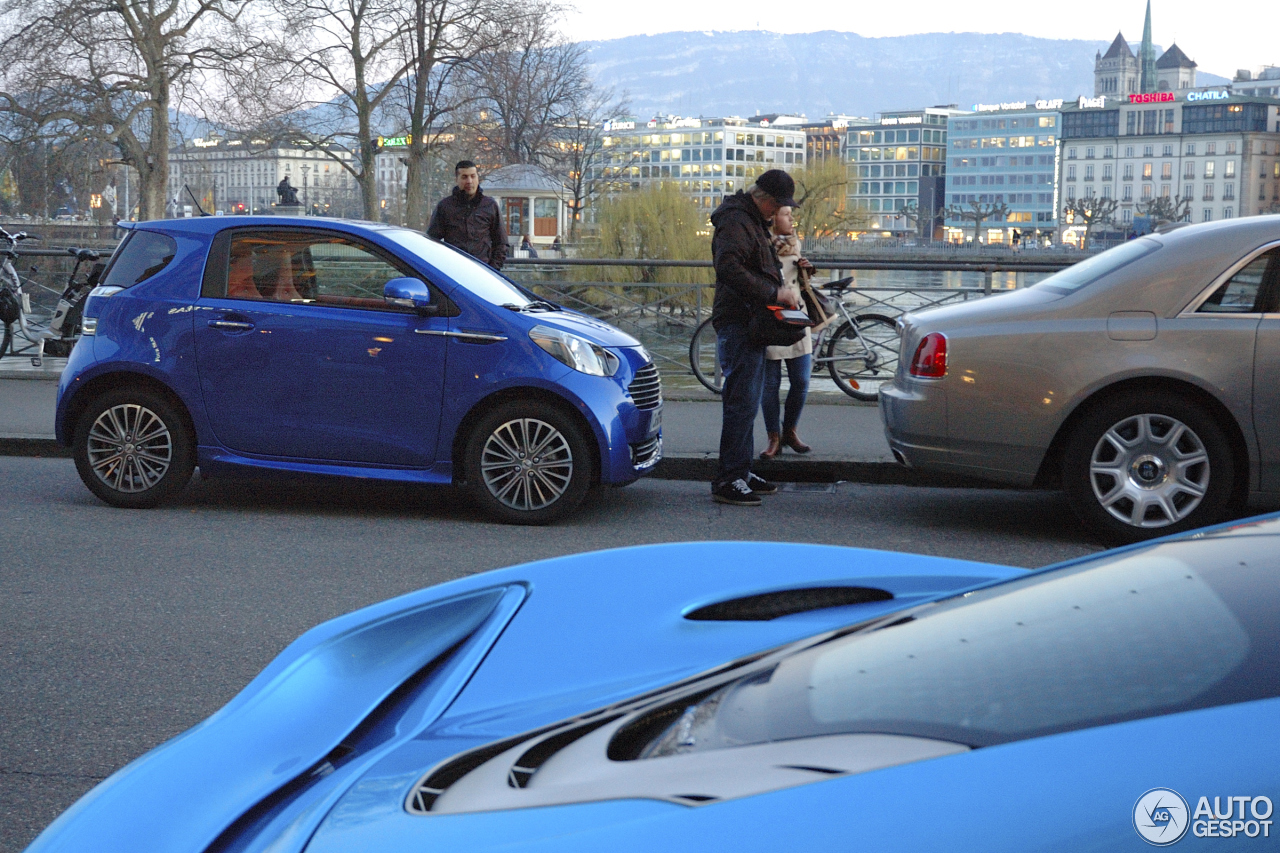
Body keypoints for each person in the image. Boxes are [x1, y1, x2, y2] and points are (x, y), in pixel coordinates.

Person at [708, 169, 805, 507]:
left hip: (749, 320)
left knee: (746, 402)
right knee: (741, 402)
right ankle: (729, 478)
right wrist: (774, 292)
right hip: (740, 321)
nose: (777, 213)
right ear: (763, 199)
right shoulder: (737, 220)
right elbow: (729, 268)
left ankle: (740, 471)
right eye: (777, 206)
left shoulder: (747, 219)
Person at [759, 205, 827, 459]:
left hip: (797, 317)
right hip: (773, 316)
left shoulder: (794, 242)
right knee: (770, 385)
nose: (791, 219)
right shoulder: (761, 242)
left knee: (801, 380)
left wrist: (807, 269)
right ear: (774, 217)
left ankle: (791, 431)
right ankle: (773, 437)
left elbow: (797, 278)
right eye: (786, 215)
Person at [427, 160, 507, 270]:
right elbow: (432, 242)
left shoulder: (490, 206)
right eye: (464, 177)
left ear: (478, 178)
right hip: (454, 271)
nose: (469, 181)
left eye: (473, 176)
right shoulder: (445, 207)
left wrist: (492, 270)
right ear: (457, 180)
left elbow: (502, 243)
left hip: (483, 271)